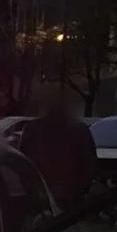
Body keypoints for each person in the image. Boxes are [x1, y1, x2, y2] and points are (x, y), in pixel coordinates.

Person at [17, 84, 98, 212]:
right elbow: (90, 164)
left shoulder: (33, 129)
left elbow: (21, 164)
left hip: (42, 198)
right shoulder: (78, 129)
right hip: (69, 197)